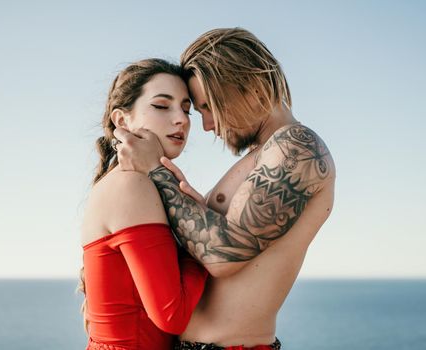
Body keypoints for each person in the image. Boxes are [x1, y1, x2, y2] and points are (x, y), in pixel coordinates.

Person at [113, 28, 336, 350]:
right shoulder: (263, 155)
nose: (206, 125)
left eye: (208, 106)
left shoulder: (296, 148)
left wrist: (154, 171)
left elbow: (222, 258)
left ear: (249, 85)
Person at [79, 58, 208, 350]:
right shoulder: (131, 185)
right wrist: (202, 234)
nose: (182, 119)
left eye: (187, 109)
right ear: (122, 120)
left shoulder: (130, 182)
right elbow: (171, 316)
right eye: (162, 106)